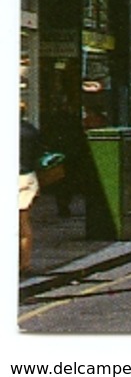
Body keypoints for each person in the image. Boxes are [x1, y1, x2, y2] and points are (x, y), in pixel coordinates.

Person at [20, 108, 42, 274]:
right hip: (27, 177)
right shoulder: (31, 131)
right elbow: (39, 155)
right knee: (23, 222)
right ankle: (25, 263)